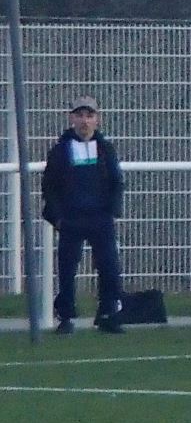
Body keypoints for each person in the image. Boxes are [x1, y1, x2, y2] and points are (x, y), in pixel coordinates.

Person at [41, 95, 125, 335]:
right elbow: (49, 186)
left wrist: (113, 211)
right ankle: (66, 317)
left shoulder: (105, 149)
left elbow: (116, 181)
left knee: (109, 266)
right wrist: (58, 217)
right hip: (71, 218)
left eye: (89, 115)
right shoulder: (60, 150)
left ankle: (107, 313)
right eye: (80, 115)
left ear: (97, 119)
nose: (84, 121)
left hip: (100, 217)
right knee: (67, 270)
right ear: (72, 118)